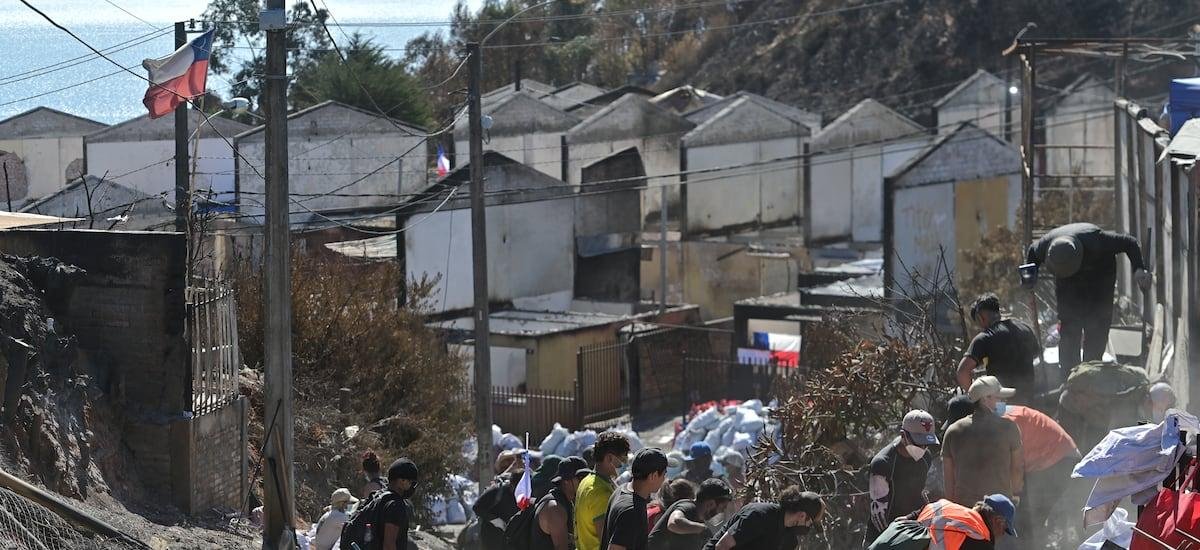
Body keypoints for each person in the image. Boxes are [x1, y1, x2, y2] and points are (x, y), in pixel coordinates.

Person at [1025, 222, 1149, 371]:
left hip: (1100, 278)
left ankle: (1092, 371)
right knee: (1069, 326)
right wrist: (1029, 278)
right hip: (1067, 282)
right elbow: (1032, 253)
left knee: (1097, 325)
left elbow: (1129, 242)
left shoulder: (1097, 241)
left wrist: (1138, 269)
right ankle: (1068, 375)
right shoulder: (1046, 246)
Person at [1001, 404, 1079, 547]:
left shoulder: (1006, 422)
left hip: (1057, 459)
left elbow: (1015, 467)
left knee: (1029, 517)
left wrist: (1014, 494)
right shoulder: (1004, 413)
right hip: (1055, 456)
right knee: (1028, 517)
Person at [942, 377, 1024, 507]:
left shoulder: (953, 431)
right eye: (999, 398)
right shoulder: (1008, 428)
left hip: (966, 509)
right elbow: (1017, 468)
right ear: (985, 399)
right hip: (999, 508)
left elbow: (948, 478)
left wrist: (952, 508)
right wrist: (1014, 494)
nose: (1003, 401)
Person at [868, 410, 939, 541]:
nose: (922, 448)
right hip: (883, 537)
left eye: (926, 444)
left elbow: (926, 495)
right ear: (903, 435)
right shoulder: (883, 463)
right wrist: (896, 538)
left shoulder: (925, 458)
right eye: (918, 442)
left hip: (914, 531)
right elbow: (878, 515)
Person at [956, 294, 1041, 402]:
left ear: (980, 316)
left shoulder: (985, 338)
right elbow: (1036, 356)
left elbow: (962, 372)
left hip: (1001, 406)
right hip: (1029, 401)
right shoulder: (1024, 328)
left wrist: (975, 396)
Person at [869, 494, 1017, 550]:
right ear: (998, 521)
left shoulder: (941, 505)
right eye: (1005, 530)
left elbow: (901, 520)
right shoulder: (980, 538)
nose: (1002, 535)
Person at [703, 485, 823, 550]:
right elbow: (722, 546)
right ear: (802, 515)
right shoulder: (759, 515)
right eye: (810, 523)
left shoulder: (789, 539)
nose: (808, 528)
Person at [601, 448, 669, 550]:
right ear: (653, 476)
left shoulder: (621, 490)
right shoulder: (631, 511)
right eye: (664, 474)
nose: (665, 479)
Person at [577, 431, 632, 550]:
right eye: (622, 459)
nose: (624, 464)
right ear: (610, 458)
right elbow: (607, 541)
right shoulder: (600, 493)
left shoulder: (587, 481)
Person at [648, 478, 733, 550]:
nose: (721, 512)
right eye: (722, 508)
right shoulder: (687, 506)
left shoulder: (696, 522)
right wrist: (703, 529)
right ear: (710, 504)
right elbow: (674, 523)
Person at [534, 456, 589, 550]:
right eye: (580, 478)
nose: (585, 481)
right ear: (566, 481)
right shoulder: (555, 508)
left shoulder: (568, 501)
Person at [474, 450, 526, 550]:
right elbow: (477, 507)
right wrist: (495, 520)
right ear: (512, 485)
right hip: (492, 537)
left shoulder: (526, 493)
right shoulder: (497, 491)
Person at [381, 458, 419, 550]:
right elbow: (389, 545)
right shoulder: (395, 505)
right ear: (402, 481)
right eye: (411, 482)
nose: (412, 487)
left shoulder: (380, 497)